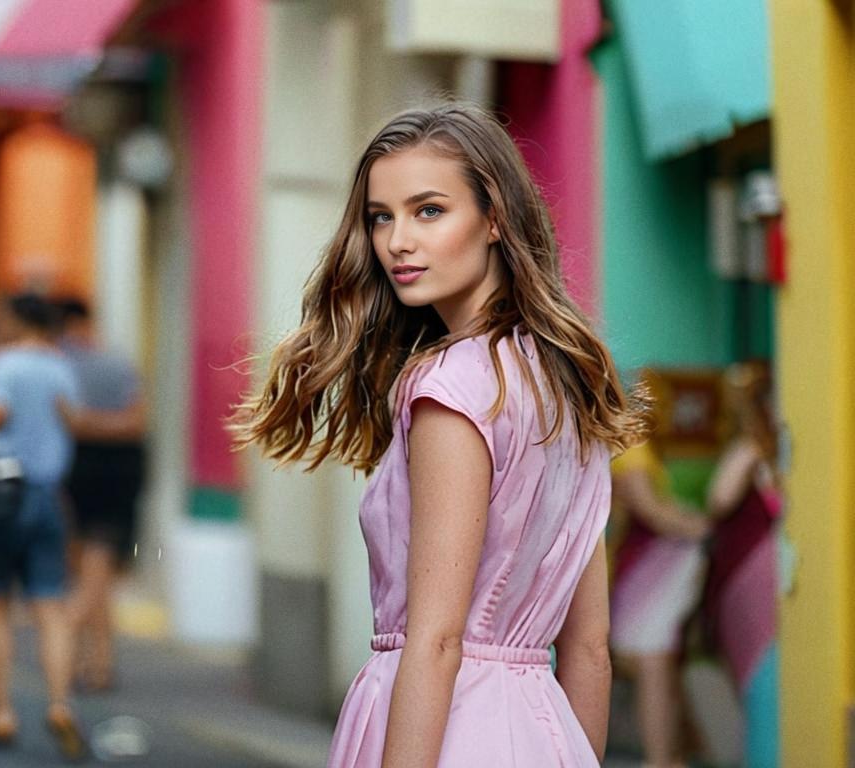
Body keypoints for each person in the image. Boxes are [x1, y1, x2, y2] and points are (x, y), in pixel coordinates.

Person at [232, 104, 648, 766]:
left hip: (445, 731)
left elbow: (436, 639)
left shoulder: (449, 390)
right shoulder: (570, 383)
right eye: (381, 216)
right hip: (544, 737)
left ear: (494, 219)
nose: (398, 240)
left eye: (429, 210)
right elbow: (590, 647)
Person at [0, 293, 85, 759]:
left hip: (2, 494)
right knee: (49, 605)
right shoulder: (60, 368)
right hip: (47, 496)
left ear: (17, 319)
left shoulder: (4, 364)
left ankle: (2, 713)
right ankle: (59, 703)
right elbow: (71, 422)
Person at [56, 299, 147, 693]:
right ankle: (96, 663)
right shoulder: (117, 364)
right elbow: (137, 420)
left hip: (78, 470)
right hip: (122, 470)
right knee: (99, 572)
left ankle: (72, 641)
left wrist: (82, 424)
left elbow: (65, 422)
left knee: (87, 569)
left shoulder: (58, 368)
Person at [608, 436, 711, 768]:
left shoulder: (623, 445)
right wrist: (704, 528)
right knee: (654, 660)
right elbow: (652, 510)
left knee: (659, 661)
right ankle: (662, 758)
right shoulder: (629, 446)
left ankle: (673, 754)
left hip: (628, 568)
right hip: (633, 571)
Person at [701, 362, 779, 767]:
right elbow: (720, 499)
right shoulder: (751, 449)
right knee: (761, 684)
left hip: (775, 580)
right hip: (749, 581)